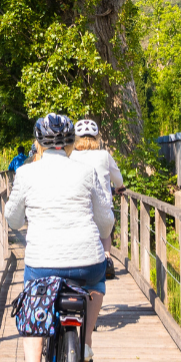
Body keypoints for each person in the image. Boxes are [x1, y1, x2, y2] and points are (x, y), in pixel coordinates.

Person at [5, 114, 113, 362]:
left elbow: (12, 218)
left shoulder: (26, 174)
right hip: (87, 261)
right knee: (97, 281)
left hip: (43, 263)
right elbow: (106, 220)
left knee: (32, 302)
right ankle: (86, 341)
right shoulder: (86, 171)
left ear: (38, 143)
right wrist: (101, 233)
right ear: (69, 144)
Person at [70, 119, 125, 278]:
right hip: (102, 215)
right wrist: (116, 188)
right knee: (105, 231)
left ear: (77, 139)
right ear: (97, 138)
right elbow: (119, 180)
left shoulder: (71, 156)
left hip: (79, 212)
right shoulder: (104, 155)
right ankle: (107, 258)